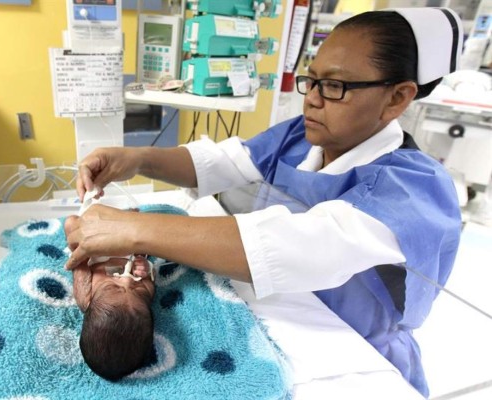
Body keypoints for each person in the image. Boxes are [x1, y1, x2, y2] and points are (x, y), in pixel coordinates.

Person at [64, 7, 464, 397]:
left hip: (349, 347)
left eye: (335, 86)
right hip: (267, 320)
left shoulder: (415, 188)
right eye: (312, 80)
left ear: (396, 98)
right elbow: (219, 162)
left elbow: (306, 245)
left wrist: (136, 230)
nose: (312, 100)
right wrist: (136, 158)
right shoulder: (300, 137)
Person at [70, 253, 155, 381]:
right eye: (138, 290)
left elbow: (79, 267)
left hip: (98, 248)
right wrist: (145, 268)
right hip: (135, 246)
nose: (127, 280)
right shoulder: (145, 299)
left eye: (112, 287)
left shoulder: (86, 299)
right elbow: (150, 281)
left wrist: (82, 254)